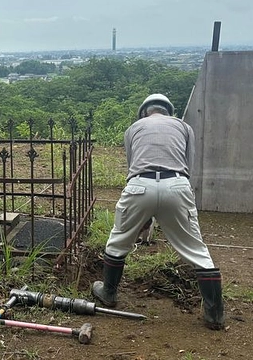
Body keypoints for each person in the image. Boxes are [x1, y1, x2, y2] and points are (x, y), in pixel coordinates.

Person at [92, 93, 225, 329]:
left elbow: (133, 165)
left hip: (139, 185)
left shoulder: (133, 128)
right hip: (176, 183)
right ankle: (214, 314)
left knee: (118, 241)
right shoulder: (184, 127)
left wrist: (143, 215)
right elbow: (188, 164)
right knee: (196, 250)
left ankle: (108, 293)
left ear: (144, 111)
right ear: (168, 111)